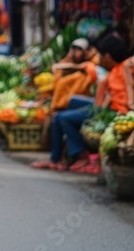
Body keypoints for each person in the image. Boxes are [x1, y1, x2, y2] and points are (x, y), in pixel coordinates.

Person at [32, 35, 132, 173]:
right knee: (71, 101)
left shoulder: (123, 69)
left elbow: (113, 101)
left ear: (108, 57)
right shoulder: (115, 70)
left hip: (113, 111)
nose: (98, 59)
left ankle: (75, 155)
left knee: (60, 118)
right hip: (105, 105)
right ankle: (66, 154)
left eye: (100, 56)